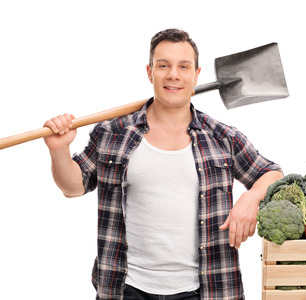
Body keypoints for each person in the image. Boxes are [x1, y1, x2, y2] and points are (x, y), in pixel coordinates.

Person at [44, 28, 283, 300]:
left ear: (196, 74)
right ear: (150, 72)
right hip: (126, 288)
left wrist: (251, 197)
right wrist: (59, 150)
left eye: (183, 66)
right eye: (163, 65)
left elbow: (272, 173)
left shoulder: (222, 138)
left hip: (207, 290)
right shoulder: (112, 132)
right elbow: (73, 186)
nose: (173, 75)